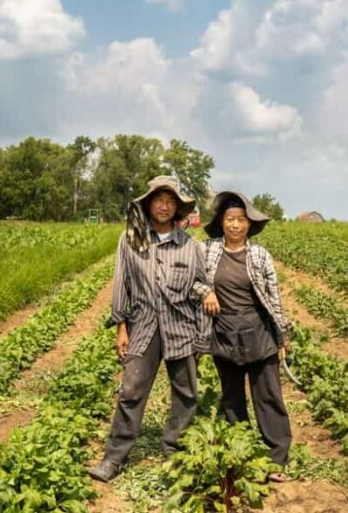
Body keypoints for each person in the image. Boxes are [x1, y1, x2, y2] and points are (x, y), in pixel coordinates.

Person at [88, 175, 211, 483]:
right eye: (159, 200)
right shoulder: (131, 240)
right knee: (131, 390)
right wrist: (121, 327)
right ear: (148, 205)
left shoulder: (190, 246)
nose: (164, 206)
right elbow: (122, 283)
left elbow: (201, 288)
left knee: (186, 393)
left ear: (177, 208)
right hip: (143, 324)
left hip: (181, 325)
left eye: (170, 201)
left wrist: (202, 335)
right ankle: (114, 458)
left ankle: (174, 449)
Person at [200, 191, 293, 482]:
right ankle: (242, 452)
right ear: (221, 222)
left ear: (249, 224)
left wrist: (282, 334)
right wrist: (206, 291)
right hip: (224, 330)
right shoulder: (207, 250)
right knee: (232, 397)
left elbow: (274, 297)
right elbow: (191, 279)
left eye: (241, 220)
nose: (235, 225)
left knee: (268, 395)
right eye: (230, 219)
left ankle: (276, 458)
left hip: (258, 329)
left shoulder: (260, 255)